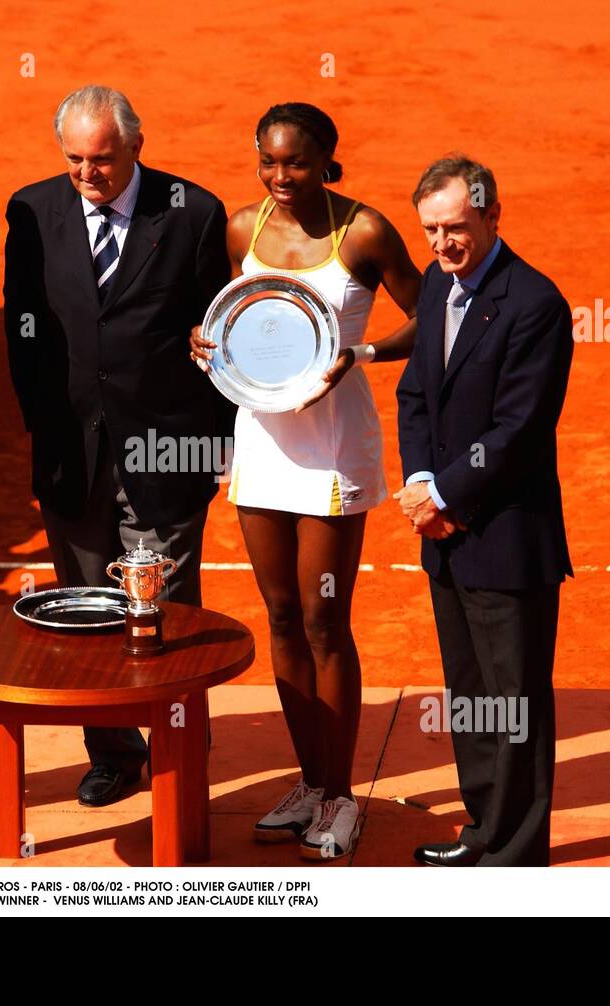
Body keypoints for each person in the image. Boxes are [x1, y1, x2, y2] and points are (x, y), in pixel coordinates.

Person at [189, 103, 421, 858]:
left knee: (325, 622)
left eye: (295, 162)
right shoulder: (241, 229)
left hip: (330, 448)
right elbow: (237, 321)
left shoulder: (365, 232)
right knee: (282, 616)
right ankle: (312, 783)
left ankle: (344, 796)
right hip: (259, 440)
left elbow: (436, 315)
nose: (280, 177)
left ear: (328, 160)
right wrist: (207, 344)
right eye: (268, 161)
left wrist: (366, 356)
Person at [4, 84, 233, 807]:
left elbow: (215, 337)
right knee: (83, 606)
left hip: (168, 449)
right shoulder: (31, 211)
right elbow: (24, 332)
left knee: (164, 604)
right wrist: (43, 430)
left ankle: (178, 747)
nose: (86, 174)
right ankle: (111, 751)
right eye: (73, 158)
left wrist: (213, 444)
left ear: (137, 144)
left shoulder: (193, 213)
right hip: (73, 449)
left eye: (101, 159)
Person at [396, 155, 573, 867]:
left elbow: (520, 428)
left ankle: (518, 854)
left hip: (505, 538)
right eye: (432, 230)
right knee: (471, 695)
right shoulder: (440, 288)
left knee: (515, 700)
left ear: (493, 217)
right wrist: (417, 482)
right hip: (445, 536)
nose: (442, 245)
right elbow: (416, 395)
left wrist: (443, 496)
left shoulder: (535, 304)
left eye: (456, 228)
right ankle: (482, 832)